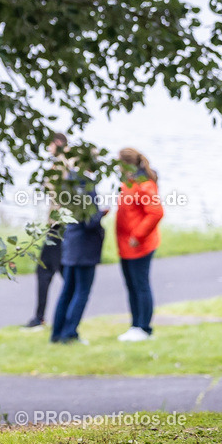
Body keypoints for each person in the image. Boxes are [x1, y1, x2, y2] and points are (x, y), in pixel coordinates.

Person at [50, 174, 107, 344]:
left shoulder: (68, 183)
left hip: (70, 243)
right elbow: (90, 222)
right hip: (84, 248)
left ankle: (57, 333)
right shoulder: (87, 186)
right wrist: (102, 213)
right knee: (82, 291)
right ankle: (69, 332)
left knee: (67, 291)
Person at [115, 148, 164, 342]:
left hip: (139, 245)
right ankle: (135, 325)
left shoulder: (144, 185)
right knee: (131, 286)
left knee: (140, 285)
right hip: (125, 245)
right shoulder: (128, 183)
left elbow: (156, 212)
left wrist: (138, 235)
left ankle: (144, 327)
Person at [25, 132, 68, 329]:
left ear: (57, 143)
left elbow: (56, 193)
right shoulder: (71, 162)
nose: (48, 149)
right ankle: (65, 316)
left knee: (44, 271)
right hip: (63, 226)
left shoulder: (62, 164)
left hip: (59, 226)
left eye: (49, 145)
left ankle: (40, 318)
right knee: (63, 271)